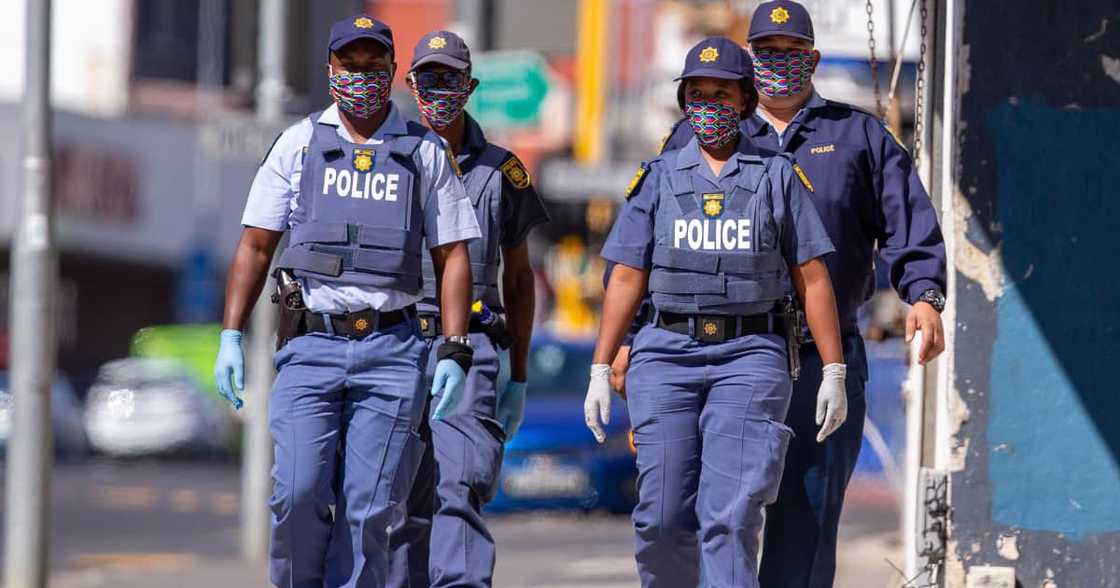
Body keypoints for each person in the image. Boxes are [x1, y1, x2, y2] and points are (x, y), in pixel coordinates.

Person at [629, 2, 949, 586]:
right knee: (694, 516)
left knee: (805, 524)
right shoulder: (697, 134)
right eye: (766, 52)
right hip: (715, 355)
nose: (778, 62)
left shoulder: (857, 136)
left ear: (814, 59)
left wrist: (925, 296)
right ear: (749, 60)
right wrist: (631, 340)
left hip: (819, 359)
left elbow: (908, 222)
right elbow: (645, 244)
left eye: (791, 52)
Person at [212, 15, 482, 588]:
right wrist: (230, 335)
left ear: (392, 71)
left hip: (393, 352)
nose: (361, 76)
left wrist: (455, 347)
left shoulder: (424, 152)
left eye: (373, 66)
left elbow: (453, 254)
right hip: (312, 348)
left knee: (370, 511)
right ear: (329, 69)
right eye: (349, 65)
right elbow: (255, 246)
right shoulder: (299, 143)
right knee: (297, 493)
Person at [585, 36, 848, 588]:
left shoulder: (777, 175)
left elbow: (812, 275)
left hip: (750, 356)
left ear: (746, 100)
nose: (709, 106)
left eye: (722, 94)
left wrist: (834, 369)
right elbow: (626, 275)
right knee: (661, 519)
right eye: (697, 94)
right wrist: (601, 365)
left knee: (730, 517)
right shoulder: (658, 176)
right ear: (684, 101)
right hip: (666, 354)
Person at [385, 31, 550, 588]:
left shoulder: (503, 172)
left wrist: (518, 375)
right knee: (399, 502)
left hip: (472, 348)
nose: (439, 90)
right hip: (395, 342)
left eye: (450, 79)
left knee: (457, 488)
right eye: (428, 79)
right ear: (411, 84)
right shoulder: (386, 159)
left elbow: (520, 280)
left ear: (470, 86)